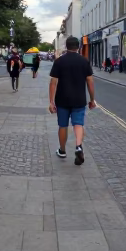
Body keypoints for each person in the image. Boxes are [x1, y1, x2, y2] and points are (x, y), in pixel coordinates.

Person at [49, 36, 96, 167]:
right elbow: (90, 81)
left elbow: (53, 82)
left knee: (63, 125)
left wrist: (51, 102)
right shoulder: (84, 61)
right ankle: (78, 146)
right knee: (78, 124)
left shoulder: (59, 61)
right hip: (79, 99)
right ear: (78, 47)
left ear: (66, 46)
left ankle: (62, 150)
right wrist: (92, 99)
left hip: (62, 99)